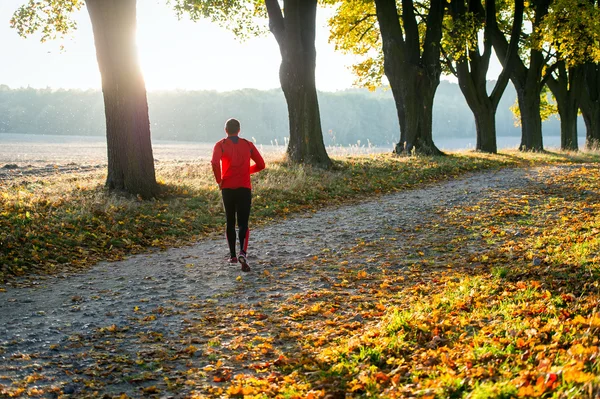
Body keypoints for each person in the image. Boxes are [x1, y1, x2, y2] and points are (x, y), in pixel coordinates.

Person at [211, 118, 265, 272]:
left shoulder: (220, 145)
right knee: (243, 223)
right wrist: (246, 171)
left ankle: (233, 256)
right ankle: (243, 252)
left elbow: (214, 163)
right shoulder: (248, 145)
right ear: (239, 130)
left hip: (227, 188)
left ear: (225, 130)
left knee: (230, 221)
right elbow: (261, 165)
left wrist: (219, 180)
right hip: (244, 188)